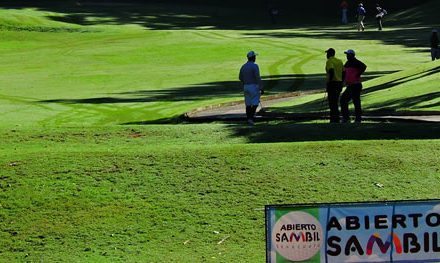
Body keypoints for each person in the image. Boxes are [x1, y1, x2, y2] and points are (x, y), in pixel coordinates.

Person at [340, 49, 367, 123]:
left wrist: (358, 74)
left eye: (348, 55)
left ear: (352, 55)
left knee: (344, 100)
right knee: (354, 101)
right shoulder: (347, 63)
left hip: (355, 85)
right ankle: (356, 119)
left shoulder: (355, 61)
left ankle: (347, 118)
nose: (347, 56)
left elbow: (364, 66)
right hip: (351, 85)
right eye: (346, 55)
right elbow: (344, 72)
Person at [239, 51, 264, 126]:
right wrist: (261, 87)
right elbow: (257, 77)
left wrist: (245, 82)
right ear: (253, 58)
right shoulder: (255, 66)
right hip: (253, 86)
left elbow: (240, 77)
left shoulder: (243, 66)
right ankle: (251, 118)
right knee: (255, 103)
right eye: (254, 57)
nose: (255, 58)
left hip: (246, 86)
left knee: (248, 104)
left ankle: (249, 119)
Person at [325, 48, 344, 123]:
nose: (326, 55)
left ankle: (334, 120)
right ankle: (336, 119)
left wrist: (329, 82)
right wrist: (342, 81)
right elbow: (344, 72)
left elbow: (331, 71)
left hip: (333, 83)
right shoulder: (340, 61)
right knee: (335, 102)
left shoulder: (329, 61)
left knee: (332, 103)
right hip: (339, 83)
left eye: (327, 53)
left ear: (329, 54)